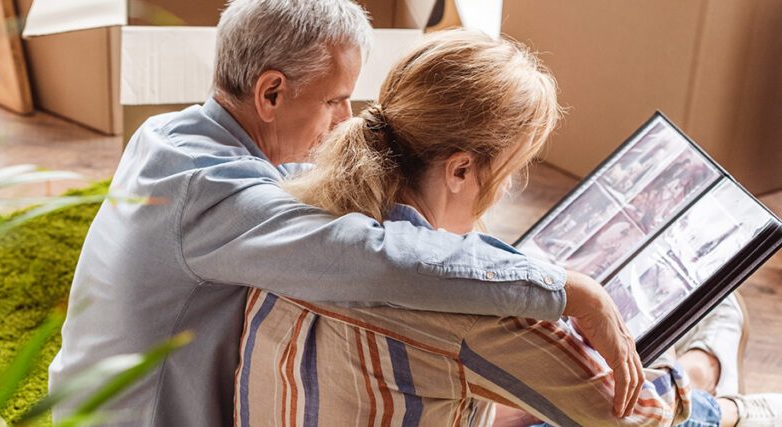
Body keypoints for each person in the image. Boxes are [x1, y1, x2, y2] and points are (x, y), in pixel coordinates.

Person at [49, 1, 643, 425]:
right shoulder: (213, 194)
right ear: (271, 93)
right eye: (334, 99)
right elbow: (374, 261)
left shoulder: (171, 135)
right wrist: (568, 289)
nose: (345, 118)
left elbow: (308, 195)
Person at [234, 29, 782, 427]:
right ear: (461, 170)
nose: (509, 187)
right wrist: (708, 388)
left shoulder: (287, 222)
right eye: (513, 170)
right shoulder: (478, 315)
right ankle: (709, 370)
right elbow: (633, 418)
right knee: (716, 375)